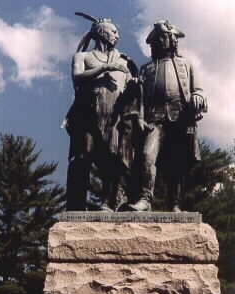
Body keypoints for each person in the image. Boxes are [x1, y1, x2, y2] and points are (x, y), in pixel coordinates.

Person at [129, 20, 207, 212]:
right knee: (147, 155)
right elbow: (138, 100)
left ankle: (174, 203)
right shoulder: (146, 69)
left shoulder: (185, 65)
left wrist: (198, 96)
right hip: (154, 119)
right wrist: (139, 116)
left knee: (177, 162)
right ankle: (146, 199)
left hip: (179, 118)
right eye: (160, 38)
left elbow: (198, 90)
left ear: (173, 40)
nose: (164, 41)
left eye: (167, 37)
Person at [65, 12, 137, 211]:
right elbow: (78, 77)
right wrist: (104, 67)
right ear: (101, 32)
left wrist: (135, 85)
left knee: (112, 156)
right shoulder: (83, 56)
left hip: (114, 115)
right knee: (82, 157)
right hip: (87, 113)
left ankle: (110, 201)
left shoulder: (123, 60)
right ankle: (75, 206)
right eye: (113, 31)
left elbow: (130, 86)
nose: (117, 35)